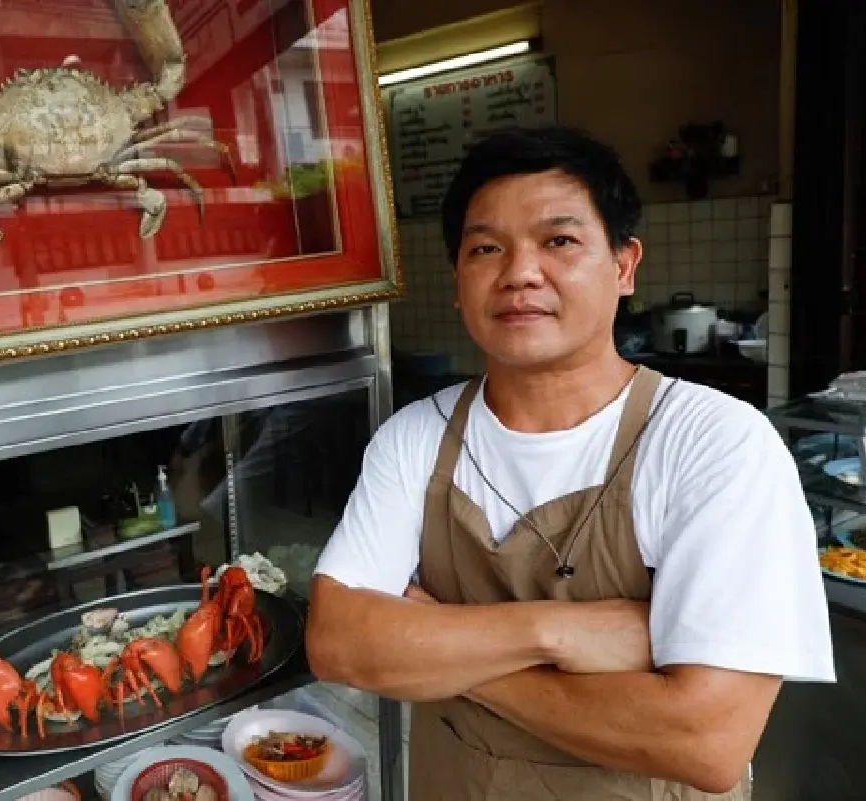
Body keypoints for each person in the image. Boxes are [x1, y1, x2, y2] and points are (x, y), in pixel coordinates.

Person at [305, 126, 835, 800]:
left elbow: (707, 739)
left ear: (624, 265)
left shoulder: (714, 442)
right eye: (486, 247)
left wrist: (443, 647)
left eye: (558, 241)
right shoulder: (415, 437)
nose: (520, 271)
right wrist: (562, 629)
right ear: (459, 282)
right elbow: (339, 643)